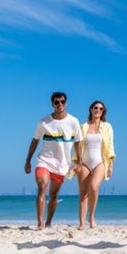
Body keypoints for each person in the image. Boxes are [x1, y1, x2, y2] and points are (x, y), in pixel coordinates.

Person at [24, 92, 84, 230]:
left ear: (66, 103)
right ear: (52, 104)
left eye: (62, 102)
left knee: (54, 195)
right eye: (56, 102)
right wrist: (28, 160)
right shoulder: (44, 122)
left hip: (62, 164)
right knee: (42, 187)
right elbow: (35, 141)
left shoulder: (73, 121)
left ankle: (49, 221)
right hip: (44, 160)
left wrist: (79, 162)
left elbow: (78, 142)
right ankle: (40, 223)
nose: (60, 105)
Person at [72, 100, 116, 229]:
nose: (98, 110)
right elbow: (77, 146)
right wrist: (77, 163)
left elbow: (110, 146)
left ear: (103, 112)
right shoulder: (83, 126)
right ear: (91, 109)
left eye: (101, 109)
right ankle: (81, 223)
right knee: (83, 193)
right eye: (96, 108)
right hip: (84, 162)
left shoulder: (107, 127)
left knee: (94, 188)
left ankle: (91, 216)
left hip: (100, 162)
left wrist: (111, 165)